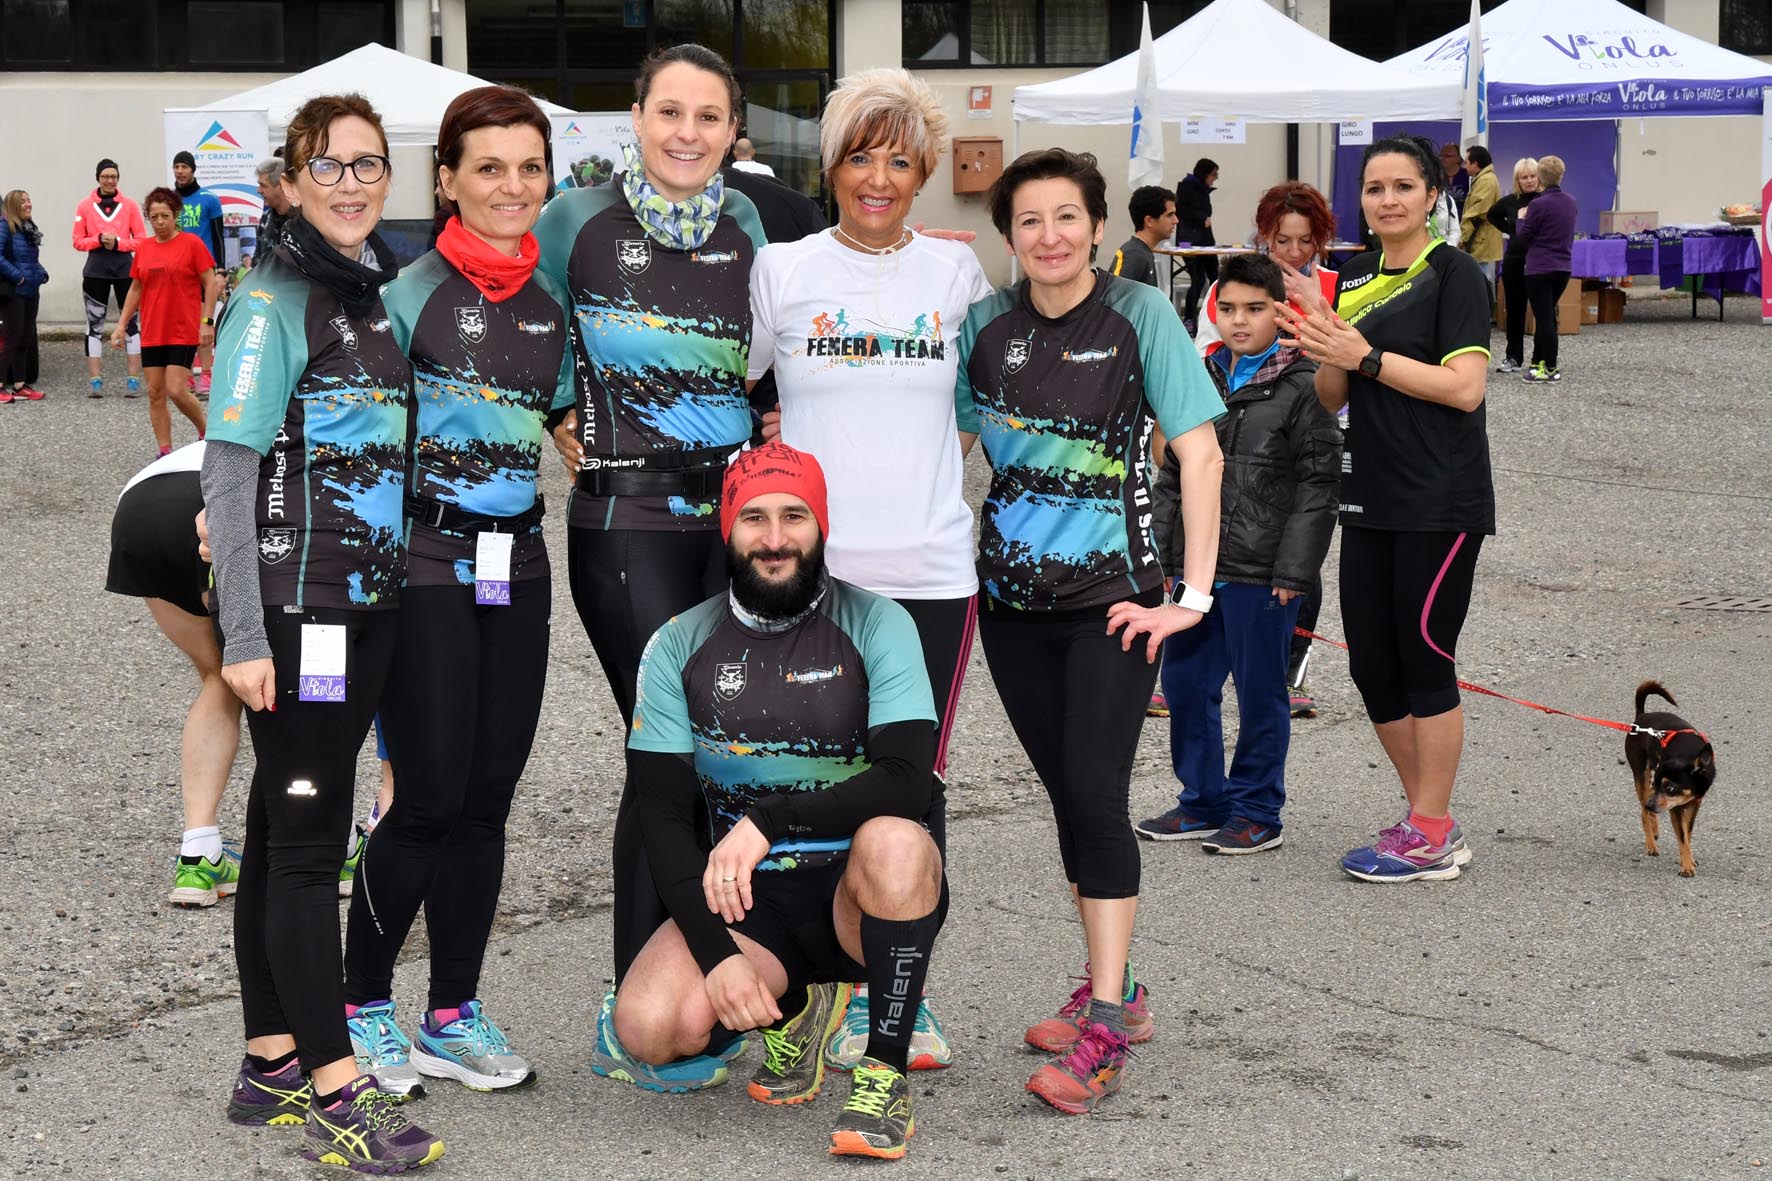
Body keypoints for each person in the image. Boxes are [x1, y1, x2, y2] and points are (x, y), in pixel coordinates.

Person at [201, 92, 443, 1171]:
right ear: (290, 181)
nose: (350, 183)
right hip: (298, 614)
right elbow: (228, 470)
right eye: (328, 165)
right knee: (308, 854)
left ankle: (270, 1060)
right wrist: (243, 635)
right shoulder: (272, 300)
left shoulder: (366, 289)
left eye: (367, 164)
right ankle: (339, 1093)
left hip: (365, 604)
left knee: (276, 833)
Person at [956, 148, 1223, 1113]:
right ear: (1008, 235)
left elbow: (1200, 455)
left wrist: (1192, 597)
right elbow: (943, 448)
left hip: (1114, 601)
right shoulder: (983, 326)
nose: (1050, 236)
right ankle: (1122, 989)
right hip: (1011, 607)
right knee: (1070, 795)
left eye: (1067, 216)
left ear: (1099, 227)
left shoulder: (1140, 314)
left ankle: (1106, 1024)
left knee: (1099, 797)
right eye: (1029, 220)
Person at [601, 442, 947, 1161]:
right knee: (649, 1027)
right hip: (750, 901)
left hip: (861, 891)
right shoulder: (677, 645)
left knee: (897, 839)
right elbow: (662, 819)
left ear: (821, 526)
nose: (775, 538)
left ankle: (883, 1073)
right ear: (727, 529)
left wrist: (770, 819)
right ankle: (797, 1011)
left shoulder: (879, 622)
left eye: (795, 516)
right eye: (754, 518)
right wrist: (716, 954)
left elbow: (908, 779)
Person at [747, 66, 991, 1085]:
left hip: (930, 573)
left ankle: (897, 997)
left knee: (909, 785)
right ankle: (812, 981)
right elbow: (737, 389)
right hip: (812, 578)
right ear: (830, 167)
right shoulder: (781, 270)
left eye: (898, 160)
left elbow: (985, 405)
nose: (878, 178)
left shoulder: (956, 274)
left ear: (924, 171)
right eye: (860, 157)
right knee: (806, 776)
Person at [342, 84, 572, 1098]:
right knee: (427, 796)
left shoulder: (550, 301)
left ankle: (451, 1013)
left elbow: (562, 417)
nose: (511, 186)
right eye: (488, 168)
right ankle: (359, 1008)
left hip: (518, 565)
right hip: (425, 564)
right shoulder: (403, 294)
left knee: (486, 801)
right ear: (446, 180)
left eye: (529, 167)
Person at [535, 44, 765, 1006]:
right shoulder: (575, 217)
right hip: (626, 517)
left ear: (732, 131)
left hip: (735, 521)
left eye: (708, 116)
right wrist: (555, 410)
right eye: (669, 111)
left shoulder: (746, 220)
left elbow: (768, 348)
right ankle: (639, 996)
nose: (687, 133)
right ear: (635, 117)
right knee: (668, 748)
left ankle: (704, 979)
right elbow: (525, 325)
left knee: (730, 745)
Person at [1276, 132, 1492, 884]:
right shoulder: (1357, 277)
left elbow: (1465, 388)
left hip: (1440, 499)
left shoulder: (1454, 274)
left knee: (1425, 658)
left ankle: (1429, 829)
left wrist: (1363, 354)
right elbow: (1332, 394)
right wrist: (1326, 344)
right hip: (1367, 494)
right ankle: (1427, 818)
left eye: (1404, 186)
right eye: (1375, 188)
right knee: (1373, 667)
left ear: (1432, 195)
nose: (1389, 200)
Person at [1137, 253, 1340, 854]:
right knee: (1185, 684)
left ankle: (1257, 810)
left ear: (1281, 312)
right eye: (1227, 309)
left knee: (1259, 695)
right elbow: (1173, 474)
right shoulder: (1199, 374)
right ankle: (1203, 801)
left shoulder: (1305, 385)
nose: (1239, 321)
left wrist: (1295, 569)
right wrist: (1164, 557)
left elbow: (1319, 484)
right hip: (1196, 573)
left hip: (1263, 573)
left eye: (1254, 309)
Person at [1186, 180, 1339, 718]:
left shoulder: (1332, 285)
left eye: (1305, 241)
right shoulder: (1235, 286)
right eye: (1282, 240)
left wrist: (1318, 319)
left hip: (1314, 420)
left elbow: (1350, 355)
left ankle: (1290, 670)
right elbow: (1208, 349)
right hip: (1238, 420)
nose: (1294, 252)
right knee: (1223, 539)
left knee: (1298, 553)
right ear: (1264, 236)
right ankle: (1201, 664)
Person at [104, 441, 246, 904]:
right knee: (268, 678)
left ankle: (198, 855)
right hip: (214, 501)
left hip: (139, 505)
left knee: (218, 675)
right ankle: (326, 842)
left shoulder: (237, 424)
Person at [112, 188, 218, 457]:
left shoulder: (192, 244)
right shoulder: (144, 248)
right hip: (152, 331)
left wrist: (207, 321)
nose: (159, 222)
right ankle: (164, 451)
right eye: (154, 217)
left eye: (165, 216)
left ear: (175, 215)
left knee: (176, 390)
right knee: (155, 392)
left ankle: (207, 434)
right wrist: (122, 324)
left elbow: (210, 283)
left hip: (182, 330)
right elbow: (136, 288)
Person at [73, 158, 145, 397]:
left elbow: (142, 241)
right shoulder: (84, 206)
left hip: (125, 271)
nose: (109, 180)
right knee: (94, 324)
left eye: (113, 176)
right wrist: (97, 240)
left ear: (118, 178)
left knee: (131, 324)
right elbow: (77, 241)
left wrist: (119, 243)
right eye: (105, 176)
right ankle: (95, 380)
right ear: (98, 178)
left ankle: (133, 380)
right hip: (95, 271)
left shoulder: (130, 205)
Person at [1516, 154, 1576, 384]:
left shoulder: (1537, 205)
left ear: (1540, 177)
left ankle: (1550, 367)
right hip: (1563, 267)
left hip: (1539, 268)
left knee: (1544, 319)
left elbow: (1523, 238)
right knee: (1548, 315)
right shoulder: (1571, 203)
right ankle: (1537, 363)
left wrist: (1521, 219)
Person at [172, 150, 226, 393]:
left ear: (193, 170)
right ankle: (186, 375)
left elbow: (219, 236)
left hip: (204, 270)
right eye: (177, 167)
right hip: (178, 271)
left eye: (184, 166)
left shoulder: (209, 199)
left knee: (205, 321)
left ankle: (206, 374)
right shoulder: (170, 200)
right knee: (183, 325)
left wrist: (221, 270)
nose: (180, 171)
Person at [1485, 156, 1540, 373]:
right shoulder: (1509, 202)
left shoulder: (1544, 200)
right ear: (1517, 180)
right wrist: (1511, 230)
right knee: (1515, 310)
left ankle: (1542, 358)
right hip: (1514, 261)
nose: (1529, 181)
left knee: (1543, 311)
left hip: (1539, 261)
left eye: (1533, 176)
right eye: (1524, 177)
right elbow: (1492, 215)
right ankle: (1513, 356)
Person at [0, 190, 49, 402]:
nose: (28, 204)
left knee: (25, 338)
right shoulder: (5, 226)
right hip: (14, 292)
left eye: (29, 200)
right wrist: (17, 277)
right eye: (23, 202)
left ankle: (20, 386)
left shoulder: (28, 228)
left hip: (31, 290)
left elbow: (29, 260)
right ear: (13, 205)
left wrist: (41, 273)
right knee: (12, 339)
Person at [1174, 157, 1218, 328]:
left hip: (1205, 241)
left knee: (1215, 277)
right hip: (1188, 242)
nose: (1215, 178)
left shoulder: (1203, 190)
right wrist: (1201, 218)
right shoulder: (1187, 187)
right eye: (1213, 174)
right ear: (1205, 173)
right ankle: (1189, 319)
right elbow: (1182, 210)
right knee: (1198, 279)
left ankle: (1216, 315)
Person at [1110, 185, 1175, 289]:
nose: (1176, 220)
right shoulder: (1134, 255)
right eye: (1169, 215)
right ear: (1149, 221)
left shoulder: (1142, 252)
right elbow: (1115, 295)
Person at [1460, 145, 1503, 296]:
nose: (1464, 166)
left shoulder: (1486, 181)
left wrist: (1463, 237)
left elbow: (1475, 213)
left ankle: (1484, 311)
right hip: (1479, 239)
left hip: (1480, 240)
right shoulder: (1483, 179)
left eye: (1467, 163)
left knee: (1481, 283)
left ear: (1475, 164)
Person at [252, 157, 294, 262]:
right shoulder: (266, 217)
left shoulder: (304, 220)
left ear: (281, 186)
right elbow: (258, 258)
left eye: (263, 186)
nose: (258, 190)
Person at [1439, 142, 1470, 215]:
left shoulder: (1468, 176)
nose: (1443, 158)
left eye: (1448, 156)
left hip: (1463, 218)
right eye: (1441, 155)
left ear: (1458, 158)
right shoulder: (1436, 176)